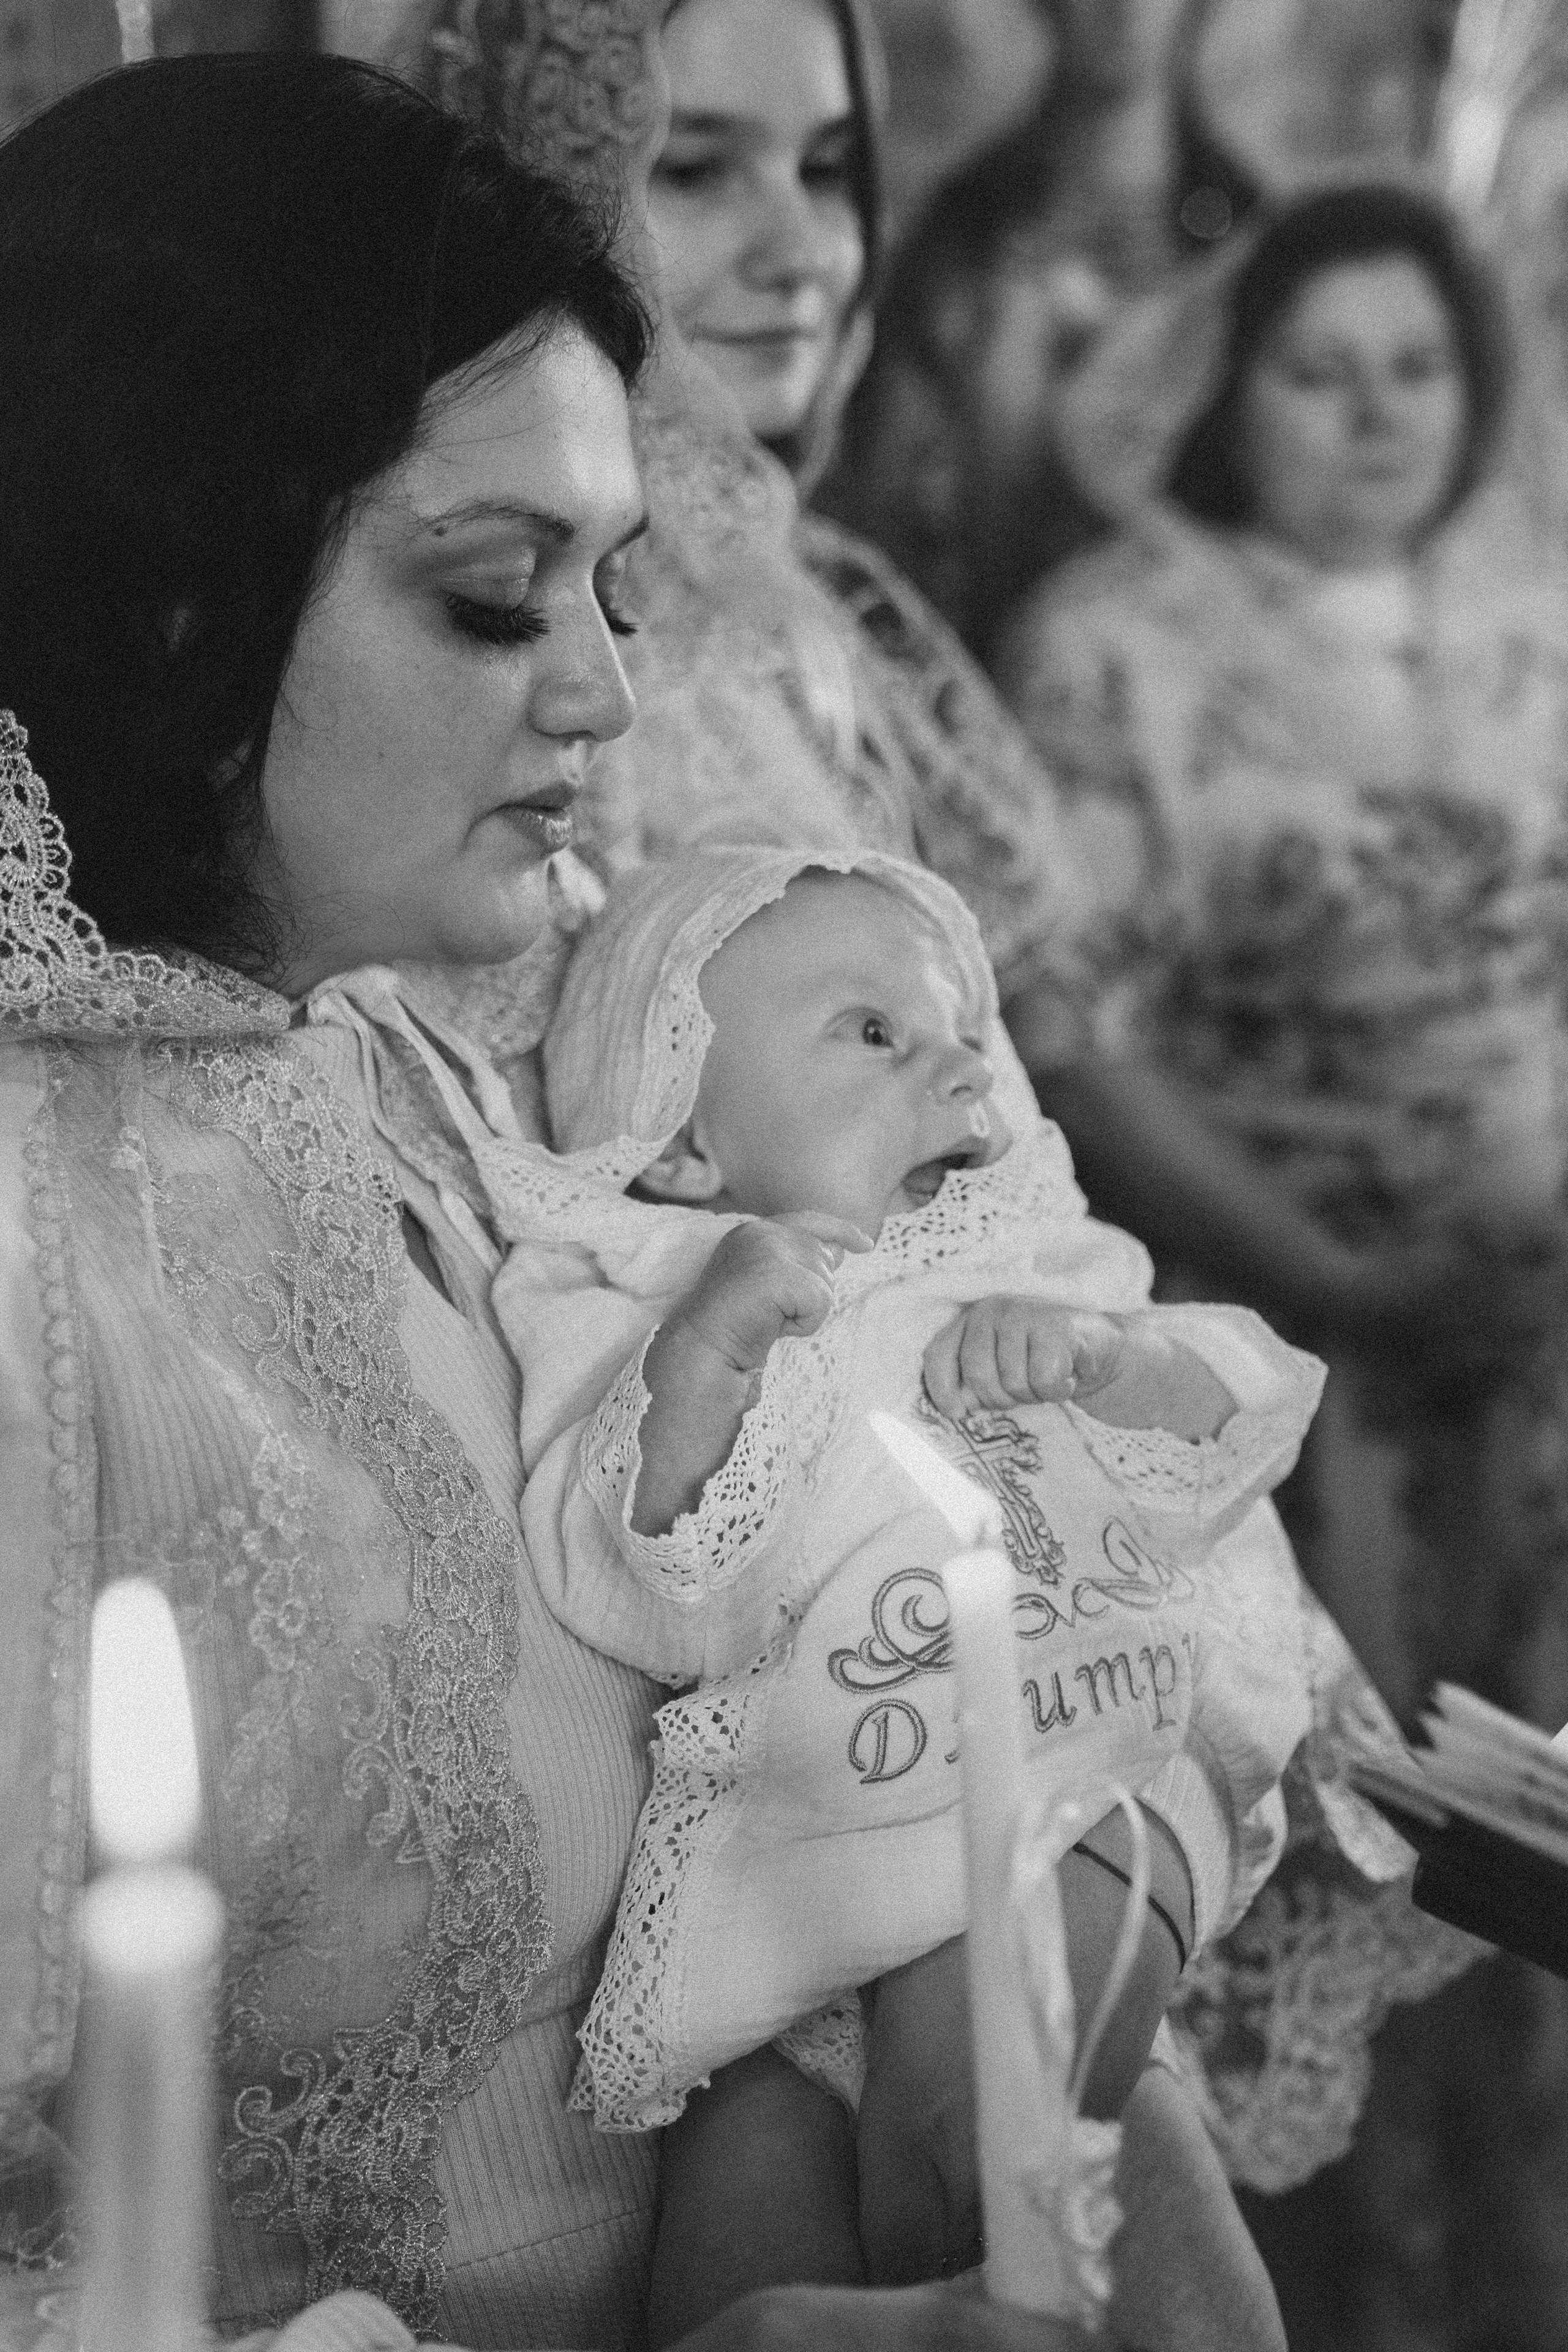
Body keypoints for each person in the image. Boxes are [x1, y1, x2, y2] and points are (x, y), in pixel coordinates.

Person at [0, 39, 1288, 2352]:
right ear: (174, 588)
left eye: (610, 584)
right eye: (497, 602)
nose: (604, 692)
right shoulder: (30, 1256)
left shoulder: (430, 1067)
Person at [500, 842, 1332, 2340]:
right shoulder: (632, 1290)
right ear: (682, 1143)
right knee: (741, 2244)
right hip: (805, 1862)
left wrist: (1108, 1361)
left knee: (1008, 2103)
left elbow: (1237, 1421)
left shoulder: (1036, 1254)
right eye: (871, 1031)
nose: (956, 1066)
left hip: (1078, 1780)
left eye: (961, 1031)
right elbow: (629, 1572)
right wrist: (701, 1362)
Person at [995, 177, 1568, 2350]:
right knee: (1381, 1882)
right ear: (1234, 394)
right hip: (1297, 1365)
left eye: (1416, 369)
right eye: (1318, 374)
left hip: (1548, 1370)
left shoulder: (1535, 596)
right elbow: (1080, 1027)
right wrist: (1328, 1262)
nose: (1374, 419)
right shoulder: (1116, 638)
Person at [815, 0, 1262, 666]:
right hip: (984, 651)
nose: (1124, 13)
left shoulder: (1242, 234)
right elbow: (883, 498)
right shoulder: (968, 237)